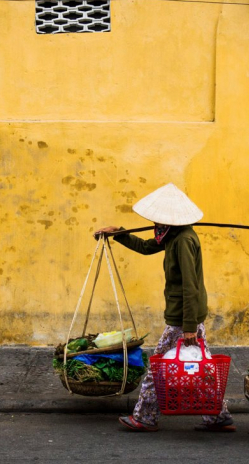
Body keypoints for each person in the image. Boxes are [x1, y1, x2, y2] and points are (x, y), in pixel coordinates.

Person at [94, 183, 235, 433]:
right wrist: (119, 233)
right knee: (202, 366)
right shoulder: (172, 236)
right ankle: (218, 416)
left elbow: (190, 287)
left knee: (157, 367)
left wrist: (189, 327)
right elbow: (147, 247)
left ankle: (145, 417)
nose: (154, 223)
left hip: (183, 318)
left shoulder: (183, 241)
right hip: (185, 316)